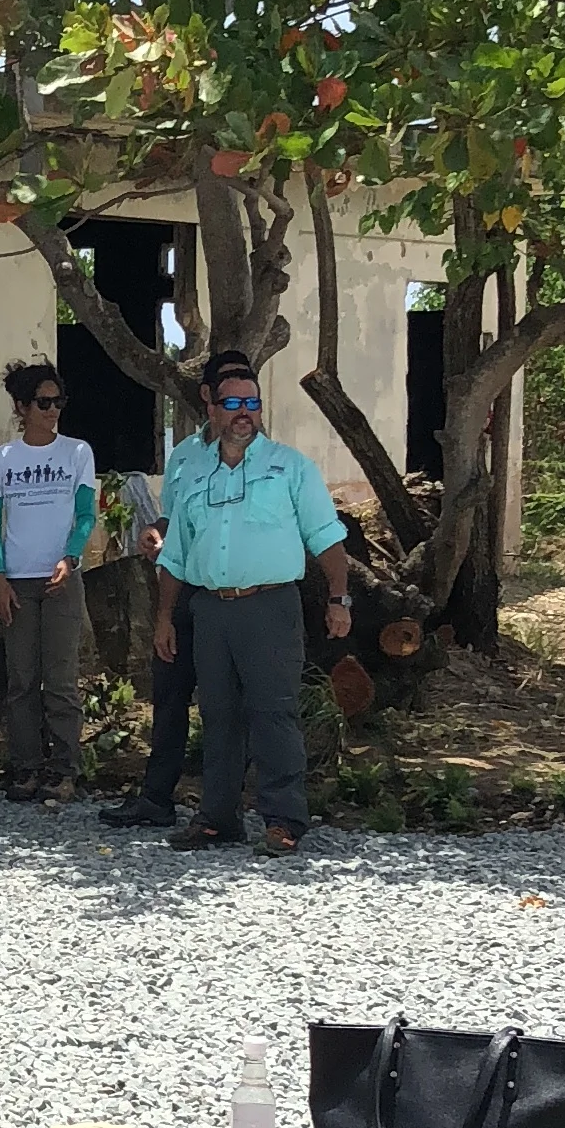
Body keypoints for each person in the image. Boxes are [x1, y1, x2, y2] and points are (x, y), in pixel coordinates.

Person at [153, 355, 353, 856]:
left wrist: (339, 598)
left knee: (274, 712)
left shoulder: (290, 467)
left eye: (252, 403)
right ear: (213, 410)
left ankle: (284, 819)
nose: (244, 412)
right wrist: (163, 619)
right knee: (218, 715)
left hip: (269, 608)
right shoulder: (197, 475)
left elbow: (327, 540)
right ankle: (218, 819)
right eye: (233, 403)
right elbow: (175, 555)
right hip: (211, 610)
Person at [100, 356, 243, 831]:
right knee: (168, 693)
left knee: (225, 700)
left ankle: (224, 806)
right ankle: (156, 798)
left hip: (231, 594)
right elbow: (176, 520)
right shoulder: (183, 455)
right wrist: (155, 532)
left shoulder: (261, 456)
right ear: (207, 396)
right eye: (228, 390)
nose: (240, 404)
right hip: (180, 590)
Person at [0, 361, 98, 805]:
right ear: (22, 407)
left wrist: (71, 558)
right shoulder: (0, 460)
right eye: (43, 403)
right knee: (22, 679)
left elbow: (86, 515)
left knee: (61, 680)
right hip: (17, 580)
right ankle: (26, 767)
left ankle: (66, 769)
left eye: (58, 402)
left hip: (61, 578)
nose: (53, 411)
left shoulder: (77, 453)